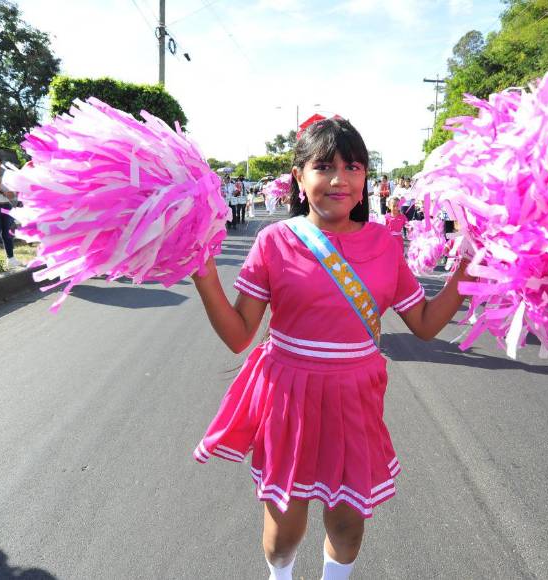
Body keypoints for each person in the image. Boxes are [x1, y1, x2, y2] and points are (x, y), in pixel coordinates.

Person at [190, 117, 474, 580]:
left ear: (365, 179)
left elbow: (423, 324)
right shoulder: (274, 242)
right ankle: (279, 575)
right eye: (324, 166)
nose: (340, 179)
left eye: (354, 167)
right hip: (288, 398)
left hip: (355, 399)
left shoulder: (385, 243)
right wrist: (202, 272)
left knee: (347, 523)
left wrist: (464, 275)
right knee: (285, 528)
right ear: (299, 177)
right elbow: (241, 334)